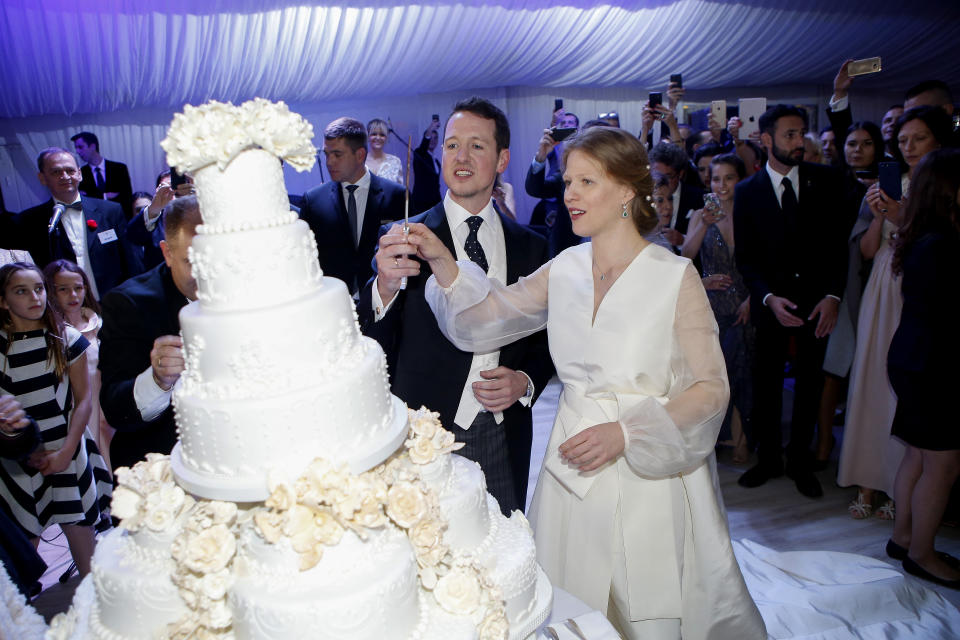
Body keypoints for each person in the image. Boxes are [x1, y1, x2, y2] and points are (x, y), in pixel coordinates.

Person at [398, 125, 765, 639]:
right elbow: (483, 317)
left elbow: (710, 389)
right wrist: (442, 260)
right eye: (567, 182)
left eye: (586, 182)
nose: (569, 195)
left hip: (649, 466)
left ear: (627, 191)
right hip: (571, 461)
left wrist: (627, 433)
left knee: (643, 600)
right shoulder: (564, 268)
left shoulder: (673, 275)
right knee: (572, 597)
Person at [358, 97, 554, 516]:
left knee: (502, 558)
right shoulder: (401, 237)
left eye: (477, 146)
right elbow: (369, 341)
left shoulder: (532, 246)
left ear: (502, 159)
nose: (461, 157)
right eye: (451, 145)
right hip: (422, 437)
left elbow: (546, 341)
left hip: (502, 434)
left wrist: (525, 380)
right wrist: (385, 288)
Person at [837, 106, 952, 519]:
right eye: (902, 140)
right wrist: (880, 215)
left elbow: (932, 243)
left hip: (921, 287)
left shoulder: (944, 189)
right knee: (872, 382)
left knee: (907, 395)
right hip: (884, 285)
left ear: (938, 140)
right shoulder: (895, 183)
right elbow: (868, 251)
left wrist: (902, 219)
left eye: (917, 139)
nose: (909, 147)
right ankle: (868, 483)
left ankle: (897, 489)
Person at [734, 104, 847, 499]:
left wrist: (833, 296)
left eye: (802, 134)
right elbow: (745, 258)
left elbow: (838, 248)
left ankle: (800, 461)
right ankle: (768, 460)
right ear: (766, 140)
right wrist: (766, 297)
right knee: (766, 385)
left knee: (810, 386)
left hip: (818, 306)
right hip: (771, 308)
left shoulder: (826, 181)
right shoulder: (747, 193)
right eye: (790, 135)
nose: (799, 142)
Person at [0, 262, 112, 578]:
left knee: (88, 562)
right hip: (19, 461)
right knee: (20, 566)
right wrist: (23, 447)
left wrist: (66, 451)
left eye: (38, 289)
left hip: (67, 449)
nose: (35, 297)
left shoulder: (65, 339)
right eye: (21, 291)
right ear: (3, 300)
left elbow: (83, 401)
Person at [886, 148, 960, 589]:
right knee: (943, 465)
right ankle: (922, 554)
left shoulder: (925, 235)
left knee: (918, 454)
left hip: (916, 359)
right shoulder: (944, 243)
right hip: (935, 365)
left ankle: (903, 538)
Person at [98, 196, 200, 470]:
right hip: (166, 469)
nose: (209, 273)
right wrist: (158, 379)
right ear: (166, 253)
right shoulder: (129, 304)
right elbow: (116, 409)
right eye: (193, 262)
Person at [816, 121, 885, 469]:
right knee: (834, 368)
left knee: (872, 371)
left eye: (867, 143)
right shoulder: (835, 182)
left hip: (881, 283)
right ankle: (825, 444)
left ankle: (869, 454)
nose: (857, 149)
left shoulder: (892, 182)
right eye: (852, 143)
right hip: (843, 286)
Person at [682, 154, 753, 464]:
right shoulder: (700, 214)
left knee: (743, 374)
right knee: (713, 376)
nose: (721, 185)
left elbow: (763, 261)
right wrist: (703, 226)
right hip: (710, 307)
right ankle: (711, 441)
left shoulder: (753, 212)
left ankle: (742, 441)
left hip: (747, 305)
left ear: (740, 179)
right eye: (715, 179)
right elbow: (685, 255)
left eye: (728, 178)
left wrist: (753, 299)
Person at [8, 148, 143, 300]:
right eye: (56, 172)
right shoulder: (28, 222)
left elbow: (131, 261)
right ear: (42, 178)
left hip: (113, 303)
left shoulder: (110, 211)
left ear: (79, 174)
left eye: (70, 170)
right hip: (63, 311)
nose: (65, 176)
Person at [300, 117, 405, 295]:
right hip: (333, 301)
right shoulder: (314, 201)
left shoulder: (396, 196)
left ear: (360, 155)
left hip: (385, 300)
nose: (329, 162)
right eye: (327, 154)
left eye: (337, 155)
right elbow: (305, 258)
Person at [43, 259, 114, 472]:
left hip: (105, 405)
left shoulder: (99, 324)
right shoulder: (53, 334)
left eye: (78, 288)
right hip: (76, 409)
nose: (73, 296)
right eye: (63, 289)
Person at [71, 131, 134, 218]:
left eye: (80, 147)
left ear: (92, 146)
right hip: (95, 221)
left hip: (120, 218)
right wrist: (106, 195)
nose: (77, 151)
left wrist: (92, 195)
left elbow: (126, 196)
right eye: (76, 148)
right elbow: (84, 201)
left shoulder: (119, 168)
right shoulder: (80, 173)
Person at [412, 117, 442, 215]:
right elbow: (423, 145)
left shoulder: (436, 161)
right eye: (430, 138)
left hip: (434, 204)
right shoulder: (419, 154)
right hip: (421, 205)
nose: (432, 141)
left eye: (435, 138)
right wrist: (431, 127)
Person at [366, 118, 403, 184]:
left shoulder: (395, 162)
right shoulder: (360, 162)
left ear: (386, 138)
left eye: (382, 135)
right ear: (368, 136)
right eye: (374, 134)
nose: (378, 138)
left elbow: (399, 191)